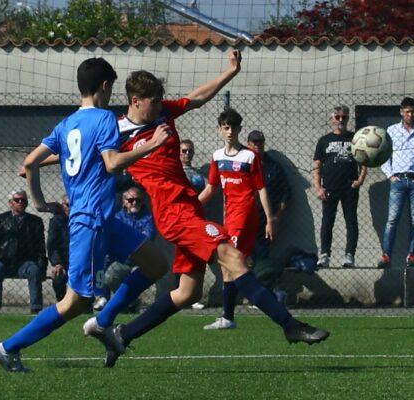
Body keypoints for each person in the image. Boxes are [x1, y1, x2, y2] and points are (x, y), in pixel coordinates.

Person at [93, 50, 329, 368]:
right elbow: (96, 158)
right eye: (154, 101)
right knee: (232, 256)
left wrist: (229, 73)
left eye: (162, 99)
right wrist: (39, 160)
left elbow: (196, 98)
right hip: (173, 214)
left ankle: (122, 335)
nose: (161, 105)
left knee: (188, 293)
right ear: (136, 100)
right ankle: (290, 326)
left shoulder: (163, 114)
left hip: (190, 209)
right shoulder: (116, 130)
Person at [0, 57, 170, 373]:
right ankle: (7, 349)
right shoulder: (104, 119)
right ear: (105, 86)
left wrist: (40, 203)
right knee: (75, 303)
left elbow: (30, 163)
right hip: (90, 222)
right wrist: (151, 145)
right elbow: (113, 163)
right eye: (112, 87)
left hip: (106, 219)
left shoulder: (67, 124)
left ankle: (103, 323)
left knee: (156, 264)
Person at [199, 108, 274, 330]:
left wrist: (269, 219)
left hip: (244, 217)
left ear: (240, 129)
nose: (230, 131)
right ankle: (231, 315)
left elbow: (261, 189)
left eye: (234, 127)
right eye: (226, 127)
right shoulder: (217, 157)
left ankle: (249, 308)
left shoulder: (249, 156)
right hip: (229, 217)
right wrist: (188, 206)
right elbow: (210, 188)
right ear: (220, 130)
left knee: (231, 263)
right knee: (229, 266)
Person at [378, 97, 414, 268]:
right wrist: (390, 175)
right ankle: (386, 256)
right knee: (392, 219)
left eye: (413, 111)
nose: (410, 115)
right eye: (407, 111)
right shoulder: (391, 131)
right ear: (401, 112)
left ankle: (412, 256)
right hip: (398, 180)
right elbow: (384, 155)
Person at [313, 106, 367, 268]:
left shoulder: (355, 138)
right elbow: (317, 165)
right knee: (327, 221)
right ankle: (324, 255)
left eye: (344, 117)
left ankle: (349, 255)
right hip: (329, 188)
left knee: (351, 221)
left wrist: (360, 180)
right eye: (337, 117)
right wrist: (318, 187)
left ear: (348, 118)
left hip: (349, 188)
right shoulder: (324, 140)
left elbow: (364, 161)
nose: (340, 120)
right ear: (332, 119)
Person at [0, 188, 48, 314]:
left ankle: (36, 308)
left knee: (34, 271)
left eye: (23, 200)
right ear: (10, 203)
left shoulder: (35, 222)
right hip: (4, 260)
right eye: (16, 200)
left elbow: (40, 247)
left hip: (26, 261)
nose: (20, 202)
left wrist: (42, 268)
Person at [247, 130, 292, 299]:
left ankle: (262, 295)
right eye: (254, 142)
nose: (257, 146)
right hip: (244, 219)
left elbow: (285, 194)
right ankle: (243, 293)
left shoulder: (273, 166)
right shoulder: (243, 162)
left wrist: (275, 218)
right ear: (249, 143)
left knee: (262, 259)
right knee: (241, 258)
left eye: (260, 142)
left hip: (264, 222)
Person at [98, 185, 156, 312]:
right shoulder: (117, 218)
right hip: (122, 260)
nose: (134, 203)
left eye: (138, 200)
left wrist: (126, 241)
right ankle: (129, 302)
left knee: (138, 277)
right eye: (130, 200)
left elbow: (148, 236)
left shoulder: (148, 218)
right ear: (124, 202)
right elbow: (114, 240)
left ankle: (127, 303)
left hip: (142, 259)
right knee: (110, 276)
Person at [179, 139, 210, 310]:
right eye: (183, 151)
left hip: (197, 219)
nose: (187, 154)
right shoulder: (175, 171)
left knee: (196, 257)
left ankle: (191, 296)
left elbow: (208, 190)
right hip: (181, 220)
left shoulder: (198, 174)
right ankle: (181, 294)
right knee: (182, 257)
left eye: (190, 151)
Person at [47, 194, 70, 302]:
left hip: (80, 259)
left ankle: (86, 306)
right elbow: (52, 245)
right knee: (58, 276)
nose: (70, 208)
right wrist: (57, 263)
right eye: (67, 205)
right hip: (63, 259)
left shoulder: (83, 219)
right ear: (63, 206)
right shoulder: (57, 221)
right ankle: (61, 302)